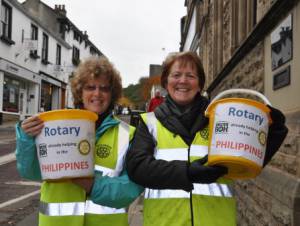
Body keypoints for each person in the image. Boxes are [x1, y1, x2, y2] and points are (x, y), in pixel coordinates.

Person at [126, 51, 288, 226]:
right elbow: (138, 168)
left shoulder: (221, 121)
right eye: (176, 75)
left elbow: (246, 159)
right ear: (166, 82)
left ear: (200, 84)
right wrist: (187, 173)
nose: (183, 81)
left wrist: (274, 134)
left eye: (190, 75)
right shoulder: (150, 122)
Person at [15, 56, 143, 226]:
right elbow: (31, 172)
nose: (97, 94)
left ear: (112, 94)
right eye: (90, 87)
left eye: (104, 89)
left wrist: (92, 186)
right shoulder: (54, 124)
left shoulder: (129, 134)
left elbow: (131, 188)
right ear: (80, 92)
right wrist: (26, 138)